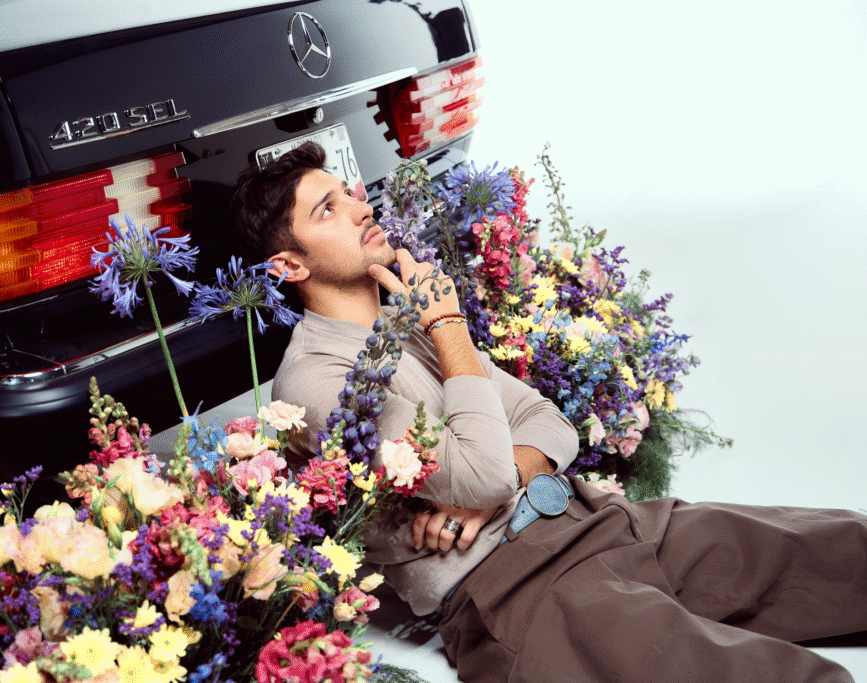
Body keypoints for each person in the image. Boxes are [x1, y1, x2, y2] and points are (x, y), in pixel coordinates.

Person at [227, 142, 867, 682]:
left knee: (843, 551)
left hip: (594, 519)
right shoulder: (316, 380)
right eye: (328, 209)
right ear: (288, 265)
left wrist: (492, 488)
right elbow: (483, 476)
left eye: (349, 193)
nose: (360, 208)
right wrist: (449, 327)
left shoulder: (411, 318)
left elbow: (549, 422)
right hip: (521, 589)